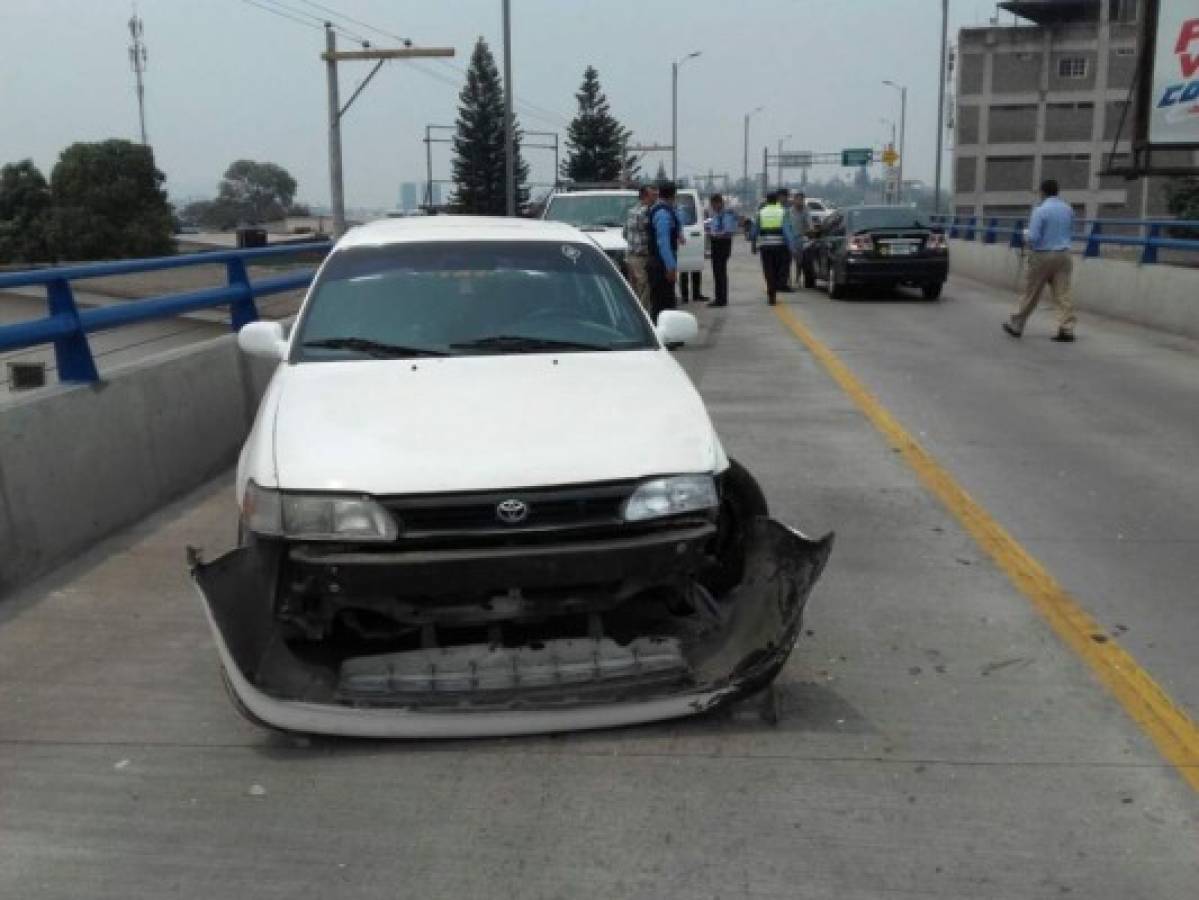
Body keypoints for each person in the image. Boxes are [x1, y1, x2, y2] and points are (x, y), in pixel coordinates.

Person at [1003, 179, 1077, 342]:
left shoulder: (1040, 210)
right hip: (1064, 254)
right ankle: (1066, 329)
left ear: (1042, 192)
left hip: (1043, 255)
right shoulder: (1068, 209)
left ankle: (1017, 325)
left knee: (1032, 292)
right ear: (1057, 192)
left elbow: (1034, 237)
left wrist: (1025, 235)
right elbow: (1071, 230)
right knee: (1062, 293)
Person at [645, 180, 681, 322]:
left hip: (659, 262)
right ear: (673, 195)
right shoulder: (663, 213)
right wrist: (670, 266)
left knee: (665, 301)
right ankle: (664, 337)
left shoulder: (663, 210)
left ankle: (667, 335)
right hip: (660, 264)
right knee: (662, 303)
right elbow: (663, 243)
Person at [622, 184, 656, 313]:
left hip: (630, 255)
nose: (655, 198)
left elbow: (624, 233)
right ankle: (642, 317)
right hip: (641, 256)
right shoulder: (646, 212)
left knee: (635, 288)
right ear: (645, 196)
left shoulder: (631, 211)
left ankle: (634, 313)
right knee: (645, 286)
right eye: (653, 195)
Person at [751, 191, 788, 305]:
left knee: (768, 270)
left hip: (766, 247)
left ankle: (771, 293)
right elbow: (787, 231)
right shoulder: (783, 212)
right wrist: (791, 246)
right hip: (780, 247)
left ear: (766, 201)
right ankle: (774, 288)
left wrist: (753, 244)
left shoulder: (761, 213)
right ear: (776, 200)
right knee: (777, 270)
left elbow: (755, 231)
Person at [705, 193, 738, 307]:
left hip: (722, 244)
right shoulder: (717, 214)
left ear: (718, 203)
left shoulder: (726, 213)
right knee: (718, 272)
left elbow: (728, 230)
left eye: (713, 204)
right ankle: (720, 297)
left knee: (720, 272)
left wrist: (715, 234)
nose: (712, 207)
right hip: (717, 243)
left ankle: (721, 299)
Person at [786, 192, 811, 287]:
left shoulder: (806, 211)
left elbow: (809, 225)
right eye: (798, 199)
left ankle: (797, 279)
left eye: (802, 200)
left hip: (801, 238)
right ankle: (788, 279)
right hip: (790, 239)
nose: (800, 202)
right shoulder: (789, 212)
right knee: (788, 260)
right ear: (794, 200)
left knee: (799, 261)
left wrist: (809, 232)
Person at [776, 188, 793, 290]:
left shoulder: (786, 208)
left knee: (782, 264)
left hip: (777, 241)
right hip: (782, 241)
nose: (786, 198)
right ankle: (781, 284)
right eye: (784, 196)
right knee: (784, 263)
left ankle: (779, 283)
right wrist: (791, 242)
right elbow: (786, 228)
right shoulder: (783, 210)